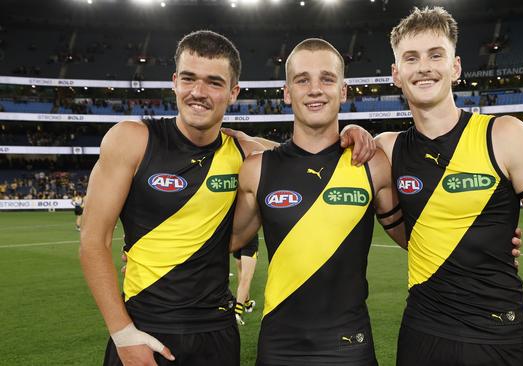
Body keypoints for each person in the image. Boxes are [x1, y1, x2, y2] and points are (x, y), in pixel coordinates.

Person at [79, 30, 376, 366]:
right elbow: (92, 241)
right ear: (174, 81)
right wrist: (122, 333)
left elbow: (306, 154)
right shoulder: (131, 140)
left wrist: (352, 132)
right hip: (148, 328)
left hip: (218, 334)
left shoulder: (244, 154)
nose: (198, 93)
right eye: (189, 79)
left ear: (233, 91)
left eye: (214, 82)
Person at [374, 7, 523, 365]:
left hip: (500, 333)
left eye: (435, 55)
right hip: (423, 333)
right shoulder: (387, 149)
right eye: (411, 58)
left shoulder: (505, 135)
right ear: (396, 73)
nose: (423, 66)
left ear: (455, 68)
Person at [230, 38, 407, 366]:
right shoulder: (257, 170)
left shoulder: (372, 164)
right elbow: (224, 243)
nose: (315, 89)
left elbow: (417, 239)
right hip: (278, 346)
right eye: (302, 80)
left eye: (327, 79)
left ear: (342, 91)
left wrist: (492, 243)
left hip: (350, 346)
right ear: (287, 93)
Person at [233, 234, 260, 326]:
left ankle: (248, 304)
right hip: (249, 237)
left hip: (236, 237)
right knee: (246, 277)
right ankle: (237, 312)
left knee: (241, 273)